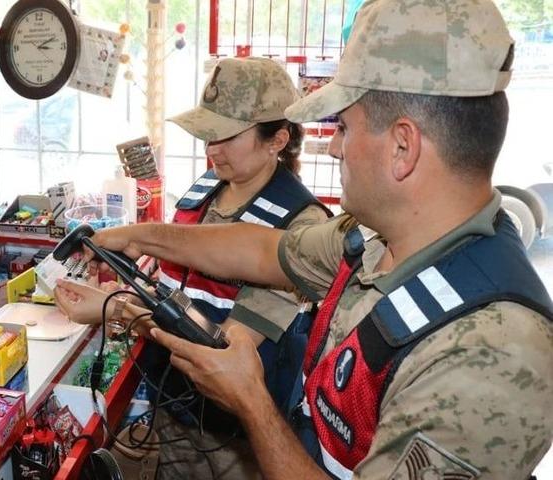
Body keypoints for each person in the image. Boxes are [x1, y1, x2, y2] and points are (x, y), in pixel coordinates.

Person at [81, 0, 553, 478]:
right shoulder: (373, 242)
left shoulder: (489, 352)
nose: (332, 147)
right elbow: (261, 248)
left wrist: (251, 403)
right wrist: (138, 235)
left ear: (403, 147)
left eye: (344, 127)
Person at [55, 57, 331, 479]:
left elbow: (220, 346)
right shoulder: (206, 189)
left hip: (234, 436)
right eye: (206, 136)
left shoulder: (299, 228)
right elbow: (172, 286)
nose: (211, 149)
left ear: (277, 139)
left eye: (224, 137)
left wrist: (116, 308)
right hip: (174, 403)